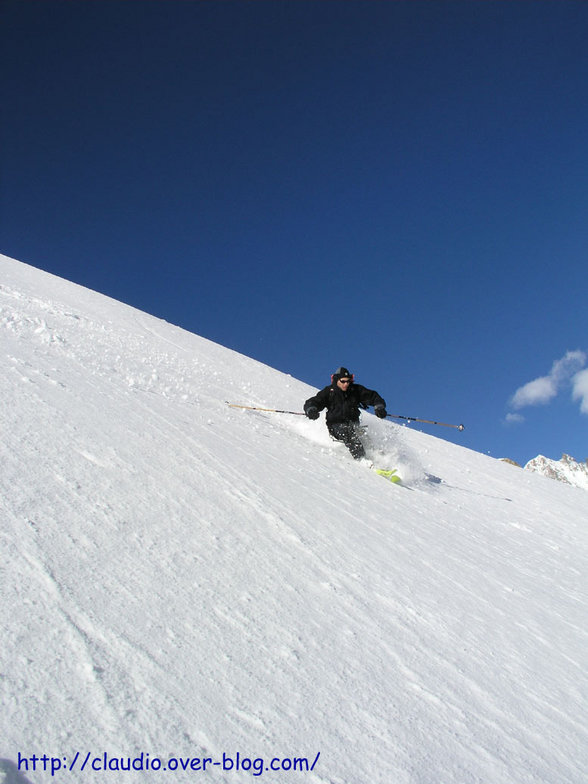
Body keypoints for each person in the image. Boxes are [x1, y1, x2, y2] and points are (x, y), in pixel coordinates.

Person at [303, 367, 387, 459]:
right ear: (336, 380)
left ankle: (380, 460)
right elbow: (315, 401)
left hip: (353, 424)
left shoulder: (355, 390)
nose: (346, 384)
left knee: (365, 438)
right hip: (336, 426)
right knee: (347, 433)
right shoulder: (329, 392)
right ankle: (362, 459)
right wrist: (311, 409)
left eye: (348, 381)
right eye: (343, 381)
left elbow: (373, 397)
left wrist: (379, 407)